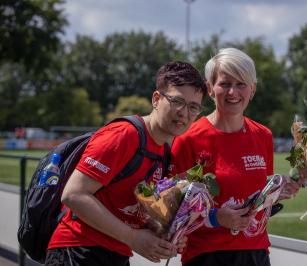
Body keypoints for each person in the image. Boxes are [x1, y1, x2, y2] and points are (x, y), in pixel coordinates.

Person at [45, 61, 208, 266]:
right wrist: (133, 237)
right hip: (77, 251)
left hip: (116, 254)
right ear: (156, 99)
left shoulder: (164, 151)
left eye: (193, 107)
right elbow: (74, 195)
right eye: (177, 101)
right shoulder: (124, 135)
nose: (184, 113)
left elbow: (129, 210)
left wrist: (161, 232)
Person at [170, 48, 301, 266]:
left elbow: (257, 197)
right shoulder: (188, 139)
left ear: (253, 90)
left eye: (241, 84)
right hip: (206, 256)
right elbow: (174, 211)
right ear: (210, 89)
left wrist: (279, 192)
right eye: (225, 84)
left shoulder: (263, 136)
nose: (233, 92)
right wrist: (216, 217)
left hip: (256, 253)